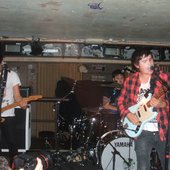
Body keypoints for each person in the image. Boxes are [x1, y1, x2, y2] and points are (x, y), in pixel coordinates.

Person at [117, 48, 170, 170]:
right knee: (143, 166)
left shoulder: (164, 78)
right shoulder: (130, 81)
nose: (149, 63)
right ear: (137, 65)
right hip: (142, 132)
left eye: (150, 59)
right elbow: (120, 101)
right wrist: (128, 114)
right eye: (145, 61)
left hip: (163, 129)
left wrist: (163, 104)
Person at [0, 55, 27, 166]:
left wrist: (22, 103)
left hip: (7, 114)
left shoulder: (12, 75)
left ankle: (15, 165)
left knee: (12, 142)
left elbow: (17, 95)